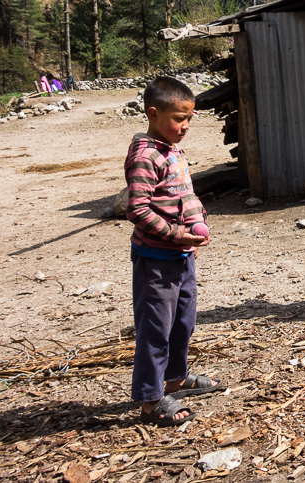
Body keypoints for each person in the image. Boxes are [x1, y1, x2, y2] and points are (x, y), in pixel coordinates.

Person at [125, 77, 221, 427]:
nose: (186, 126)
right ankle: (150, 399)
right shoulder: (146, 156)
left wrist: (194, 232)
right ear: (153, 114)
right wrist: (178, 235)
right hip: (156, 259)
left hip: (181, 256)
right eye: (179, 118)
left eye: (189, 118)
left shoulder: (172, 150)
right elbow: (137, 210)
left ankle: (176, 378)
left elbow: (182, 197)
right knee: (155, 328)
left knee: (183, 321)